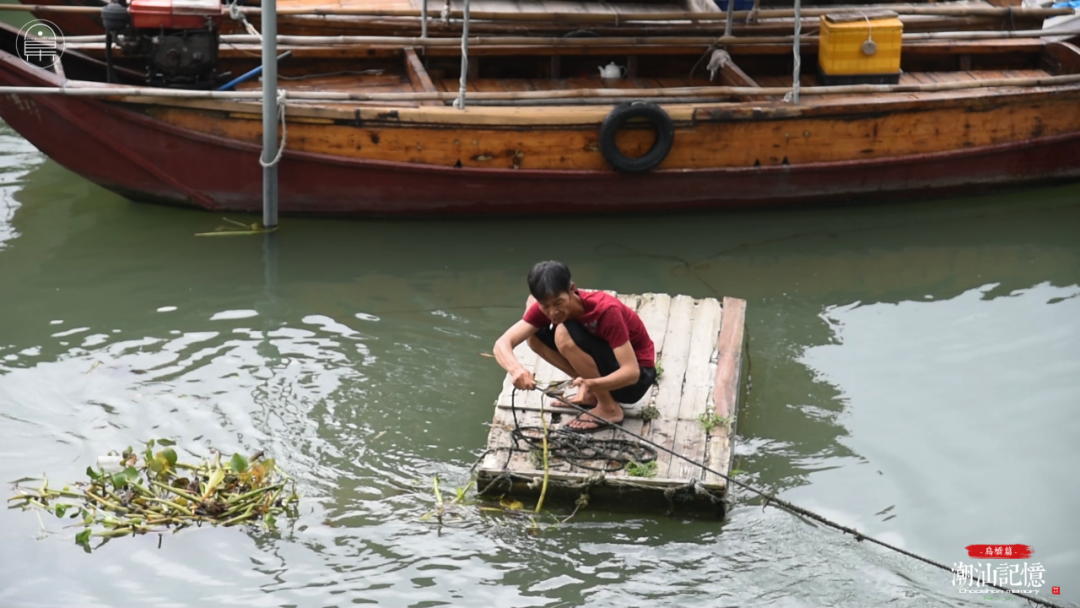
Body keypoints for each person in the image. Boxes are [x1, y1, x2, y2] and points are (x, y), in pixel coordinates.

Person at [493, 261, 657, 432]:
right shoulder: (545, 309)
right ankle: (595, 396)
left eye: (559, 303)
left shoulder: (607, 310)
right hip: (608, 375)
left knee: (563, 333)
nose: (552, 312)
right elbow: (502, 344)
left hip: (636, 381)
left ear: (572, 289)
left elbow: (631, 373)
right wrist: (515, 369)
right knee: (533, 336)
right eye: (545, 306)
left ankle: (609, 408)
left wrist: (593, 383)